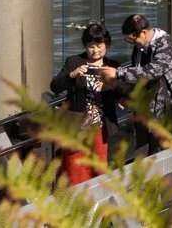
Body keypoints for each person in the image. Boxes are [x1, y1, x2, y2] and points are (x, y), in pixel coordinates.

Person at [48, 21, 120, 182]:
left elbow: (122, 92)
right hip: (77, 124)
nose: (95, 50)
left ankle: (99, 203)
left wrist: (113, 82)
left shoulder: (113, 66)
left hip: (101, 124)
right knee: (75, 166)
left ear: (106, 44)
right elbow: (54, 86)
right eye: (91, 46)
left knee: (99, 166)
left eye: (99, 45)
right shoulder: (73, 61)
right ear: (85, 46)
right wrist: (71, 75)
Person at [116, 12, 172, 154]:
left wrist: (119, 73)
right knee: (144, 153)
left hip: (165, 109)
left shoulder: (166, 43)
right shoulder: (139, 48)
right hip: (144, 109)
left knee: (168, 153)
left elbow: (153, 71)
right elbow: (139, 76)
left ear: (143, 33)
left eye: (132, 39)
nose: (132, 43)